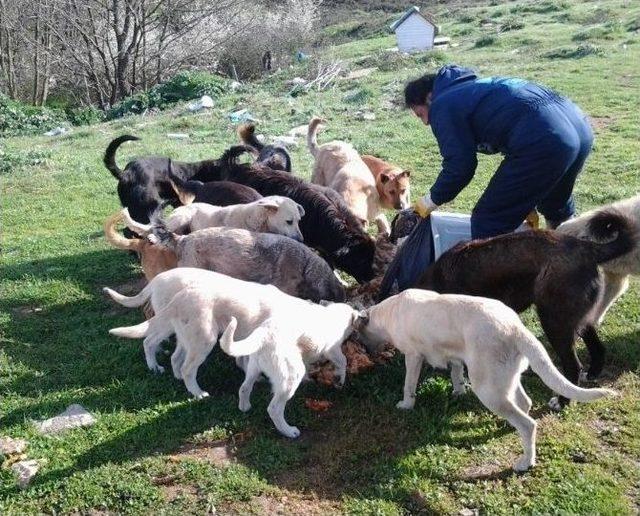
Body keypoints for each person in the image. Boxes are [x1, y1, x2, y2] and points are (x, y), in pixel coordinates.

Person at [405, 64, 594, 238]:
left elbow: (460, 166)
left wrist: (429, 202)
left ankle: (501, 274)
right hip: (579, 128)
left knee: (489, 220)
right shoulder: (475, 89)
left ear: (429, 97)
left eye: (421, 114)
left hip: (544, 138)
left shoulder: (442, 104)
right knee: (555, 205)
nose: (426, 122)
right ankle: (572, 259)